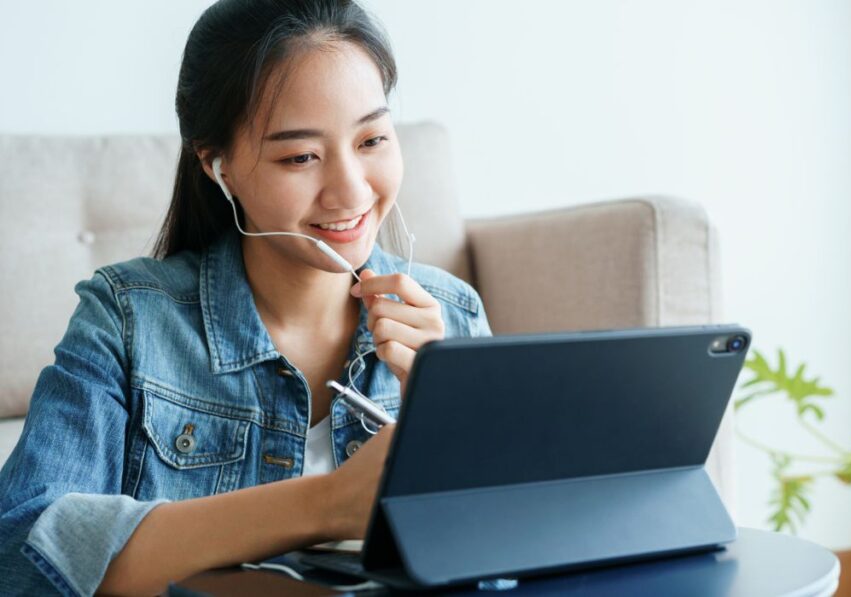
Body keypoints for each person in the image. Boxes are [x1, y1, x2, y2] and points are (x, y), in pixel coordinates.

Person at [0, 1, 490, 594]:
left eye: (372, 139)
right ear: (218, 165)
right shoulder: (129, 317)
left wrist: (444, 416)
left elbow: (513, 547)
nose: (351, 190)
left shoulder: (452, 314)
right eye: (300, 156)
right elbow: (23, 554)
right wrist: (327, 504)